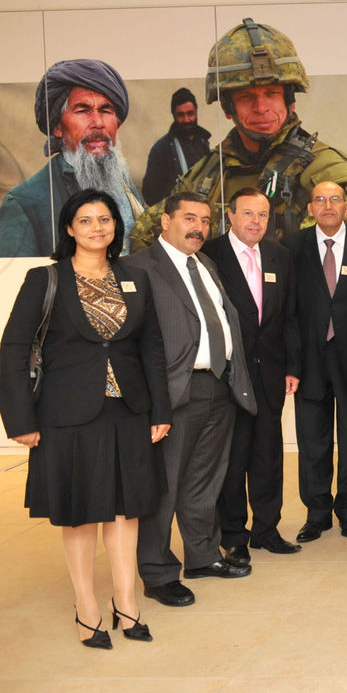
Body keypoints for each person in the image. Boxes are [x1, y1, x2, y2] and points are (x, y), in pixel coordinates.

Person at [0, 190, 170, 648]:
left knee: (124, 509)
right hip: (66, 414)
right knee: (79, 513)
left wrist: (160, 409)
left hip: (128, 411)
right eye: (86, 220)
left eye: (105, 219)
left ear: (116, 227)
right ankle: (87, 609)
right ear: (70, 228)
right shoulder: (46, 279)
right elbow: (14, 348)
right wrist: (19, 418)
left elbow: (150, 348)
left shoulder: (134, 278)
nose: (97, 227)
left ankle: (126, 603)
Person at [129, 17, 347, 248]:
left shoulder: (327, 173)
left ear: (291, 100)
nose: (261, 108)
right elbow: (145, 238)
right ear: (227, 107)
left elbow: (338, 257)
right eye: (246, 97)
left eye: (272, 94)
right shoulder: (208, 174)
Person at [124, 192, 257, 607]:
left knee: (205, 480)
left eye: (204, 219)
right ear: (165, 221)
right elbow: (132, 343)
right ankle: (158, 571)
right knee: (164, 486)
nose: (198, 226)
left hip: (219, 386)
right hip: (172, 394)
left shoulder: (206, 264)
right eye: (188, 218)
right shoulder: (138, 267)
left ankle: (201, 555)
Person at [283, 181, 347, 543]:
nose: (327, 205)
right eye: (320, 200)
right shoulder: (291, 246)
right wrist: (290, 364)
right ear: (309, 208)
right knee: (313, 438)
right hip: (309, 358)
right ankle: (317, 512)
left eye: (335, 199)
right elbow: (287, 310)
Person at [204, 188, 301, 563]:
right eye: (247, 214)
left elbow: (289, 316)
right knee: (233, 457)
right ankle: (234, 535)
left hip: (271, 374)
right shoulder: (210, 255)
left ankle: (266, 528)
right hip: (229, 376)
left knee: (268, 455)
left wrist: (293, 366)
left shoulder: (279, 255)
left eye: (262, 215)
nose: (255, 222)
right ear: (230, 216)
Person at [0, 59, 145, 257]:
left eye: (106, 110)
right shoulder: (24, 203)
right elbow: (15, 281)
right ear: (58, 127)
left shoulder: (122, 182)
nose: (98, 123)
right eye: (82, 111)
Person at [141, 87, 211, 205]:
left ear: (196, 112)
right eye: (181, 115)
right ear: (174, 115)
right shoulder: (161, 149)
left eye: (190, 114)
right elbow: (150, 194)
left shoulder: (203, 143)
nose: (186, 119)